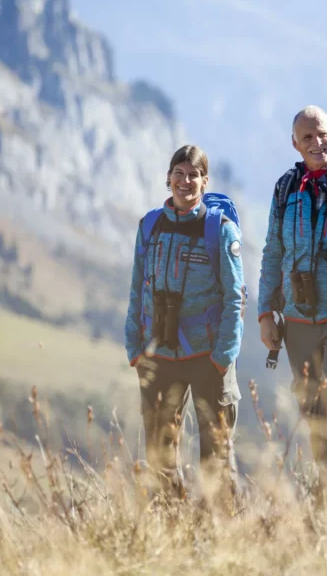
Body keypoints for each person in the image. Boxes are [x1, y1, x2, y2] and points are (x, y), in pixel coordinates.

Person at [258, 105, 327, 493]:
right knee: (312, 409)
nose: (316, 142)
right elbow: (273, 251)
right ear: (295, 143)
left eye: (322, 134)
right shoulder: (286, 188)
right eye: (307, 137)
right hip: (297, 319)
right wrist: (266, 312)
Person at [123, 144, 245, 501]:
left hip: (208, 354)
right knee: (159, 451)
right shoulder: (149, 225)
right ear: (168, 178)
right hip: (158, 352)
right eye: (179, 173)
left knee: (216, 452)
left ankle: (217, 524)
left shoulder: (220, 230)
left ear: (205, 182)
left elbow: (235, 297)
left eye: (194, 175)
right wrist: (134, 347)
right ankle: (169, 520)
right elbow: (136, 286)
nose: (186, 181)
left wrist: (224, 356)